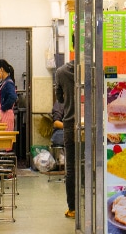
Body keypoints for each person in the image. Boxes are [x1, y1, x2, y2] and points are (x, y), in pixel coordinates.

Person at [55, 58, 76, 219]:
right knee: (95, 165)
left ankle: (73, 208)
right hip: (92, 124)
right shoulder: (94, 69)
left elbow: (60, 99)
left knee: (71, 168)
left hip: (70, 123)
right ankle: (95, 206)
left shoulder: (61, 72)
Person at [0, 59, 18, 132]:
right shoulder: (2, 83)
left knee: (5, 138)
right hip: (1, 116)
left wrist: (3, 108)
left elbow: (13, 97)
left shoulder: (8, 83)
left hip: (6, 117)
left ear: (1, 69)